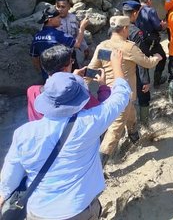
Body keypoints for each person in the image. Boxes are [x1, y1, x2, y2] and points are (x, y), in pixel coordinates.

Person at [0, 49, 131, 220]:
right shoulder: (88, 123)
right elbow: (121, 96)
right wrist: (116, 66)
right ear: (79, 100)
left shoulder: (23, 134)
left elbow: (9, 179)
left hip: (39, 212)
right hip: (79, 209)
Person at [89, 16, 162, 164]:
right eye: (128, 28)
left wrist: (83, 84)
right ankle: (99, 165)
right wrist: (156, 58)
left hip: (107, 93)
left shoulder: (103, 46)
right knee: (114, 131)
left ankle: (134, 139)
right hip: (123, 95)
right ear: (124, 29)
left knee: (131, 116)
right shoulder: (129, 47)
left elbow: (92, 69)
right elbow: (146, 63)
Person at [27, 45, 110, 122]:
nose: (72, 62)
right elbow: (101, 112)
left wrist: (72, 78)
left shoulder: (31, 91)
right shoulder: (78, 93)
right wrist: (103, 86)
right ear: (65, 68)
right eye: (71, 61)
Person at [31, 6, 89, 81]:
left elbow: (34, 58)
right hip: (63, 77)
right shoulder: (58, 35)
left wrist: (42, 72)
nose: (60, 21)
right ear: (50, 20)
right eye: (58, 18)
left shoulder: (37, 37)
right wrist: (82, 27)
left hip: (48, 78)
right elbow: (77, 44)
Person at [123, 0, 151, 125]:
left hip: (120, 69)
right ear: (135, 13)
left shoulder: (113, 30)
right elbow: (140, 58)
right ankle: (144, 123)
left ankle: (128, 125)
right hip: (135, 71)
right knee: (143, 96)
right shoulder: (135, 32)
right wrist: (145, 80)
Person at [136, 0, 167, 87]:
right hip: (152, 41)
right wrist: (163, 25)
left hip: (140, 40)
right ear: (149, 0)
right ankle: (157, 81)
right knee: (162, 58)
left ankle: (143, 85)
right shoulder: (150, 10)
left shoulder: (136, 10)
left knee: (142, 64)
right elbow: (157, 26)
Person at [55, 0, 89, 68]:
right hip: (58, 53)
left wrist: (85, 47)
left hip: (72, 52)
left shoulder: (73, 18)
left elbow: (78, 33)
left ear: (69, 7)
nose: (60, 9)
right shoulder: (53, 20)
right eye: (58, 7)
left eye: (63, 7)